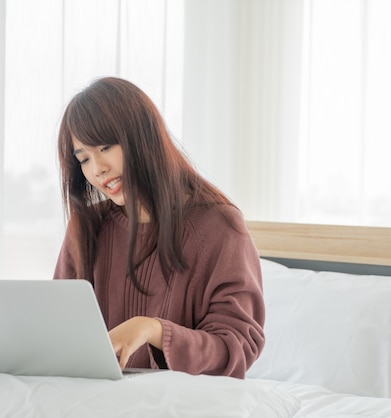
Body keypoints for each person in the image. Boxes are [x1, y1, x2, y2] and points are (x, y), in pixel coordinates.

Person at [53, 77, 264, 379]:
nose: (97, 169)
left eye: (105, 147)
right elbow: (57, 333)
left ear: (143, 136)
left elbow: (237, 347)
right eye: (83, 158)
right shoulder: (86, 227)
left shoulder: (219, 227)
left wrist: (152, 330)